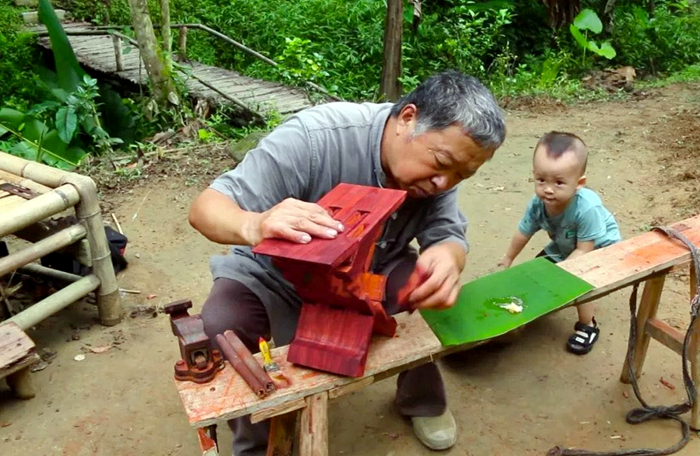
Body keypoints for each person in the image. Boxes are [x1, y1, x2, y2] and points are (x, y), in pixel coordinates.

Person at [188, 70, 506, 455]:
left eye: (462, 175)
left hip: (373, 268)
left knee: (419, 288)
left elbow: (447, 233)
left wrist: (448, 256)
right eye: (442, 162)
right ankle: (258, 441)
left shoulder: (438, 175)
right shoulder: (314, 138)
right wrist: (254, 223)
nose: (445, 183)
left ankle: (422, 398)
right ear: (408, 118)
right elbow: (206, 208)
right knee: (222, 322)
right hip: (275, 274)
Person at [498, 131, 621, 355]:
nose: (548, 189)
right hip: (565, 245)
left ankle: (588, 325)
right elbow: (523, 232)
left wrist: (562, 274)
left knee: (578, 282)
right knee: (537, 270)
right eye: (541, 180)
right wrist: (507, 259)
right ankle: (542, 303)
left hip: (599, 248)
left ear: (579, 183)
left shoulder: (587, 208)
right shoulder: (538, 203)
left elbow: (585, 250)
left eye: (559, 182)